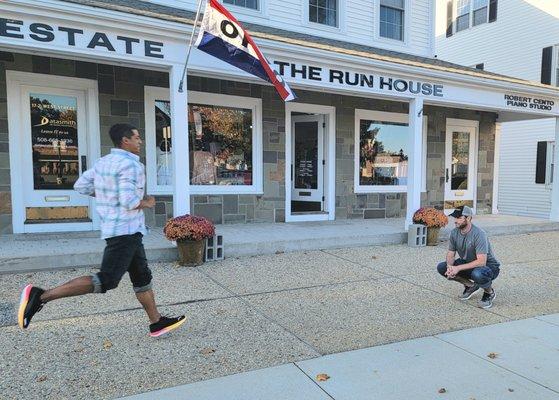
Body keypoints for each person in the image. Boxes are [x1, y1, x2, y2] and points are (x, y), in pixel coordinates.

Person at [18, 124, 186, 337]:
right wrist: (147, 202)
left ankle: (156, 322)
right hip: (125, 231)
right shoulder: (133, 165)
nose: (140, 141)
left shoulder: (103, 162)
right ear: (125, 141)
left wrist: (107, 195)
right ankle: (40, 296)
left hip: (124, 230)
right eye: (137, 138)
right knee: (106, 280)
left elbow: (81, 186)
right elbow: (129, 201)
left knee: (142, 277)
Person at [436, 205, 500, 309]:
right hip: (469, 264)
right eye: (455, 218)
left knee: (478, 273)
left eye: (459, 218)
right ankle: (471, 286)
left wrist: (457, 268)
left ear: (469, 218)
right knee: (442, 267)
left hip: (488, 267)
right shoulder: (454, 233)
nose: (455, 221)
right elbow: (451, 253)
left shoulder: (479, 234)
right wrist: (449, 267)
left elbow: (481, 262)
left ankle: (489, 292)